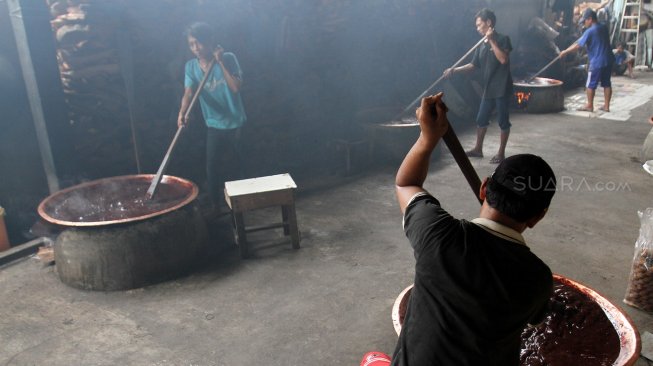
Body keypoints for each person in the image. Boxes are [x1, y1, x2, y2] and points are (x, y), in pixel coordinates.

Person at [361, 93, 557, 366]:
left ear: (485, 188)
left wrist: (428, 137)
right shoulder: (538, 279)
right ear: (538, 217)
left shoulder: (438, 233)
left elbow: (406, 184)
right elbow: (536, 321)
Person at [178, 22, 246, 212]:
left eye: (199, 43)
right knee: (212, 167)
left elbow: (235, 87)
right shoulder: (191, 67)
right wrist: (183, 112)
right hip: (214, 124)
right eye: (191, 44)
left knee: (239, 165)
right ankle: (216, 206)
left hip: (236, 122)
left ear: (210, 41)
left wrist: (221, 61)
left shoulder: (229, 58)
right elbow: (189, 93)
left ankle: (243, 205)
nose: (196, 48)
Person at [443, 8, 514, 164]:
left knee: (503, 120)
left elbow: (503, 59)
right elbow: (473, 65)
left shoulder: (503, 39)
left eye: (479, 24)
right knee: (481, 118)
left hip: (501, 88)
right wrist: (454, 70)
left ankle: (501, 153)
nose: (477, 28)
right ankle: (478, 149)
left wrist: (492, 41)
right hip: (489, 87)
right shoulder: (481, 45)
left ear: (488, 23)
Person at [559, 8, 615, 112]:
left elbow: (578, 46)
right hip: (608, 59)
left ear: (590, 19)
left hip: (597, 61)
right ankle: (606, 106)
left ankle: (589, 105)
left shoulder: (590, 31)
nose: (584, 23)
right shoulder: (603, 27)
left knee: (590, 84)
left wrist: (565, 52)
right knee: (607, 83)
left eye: (584, 21)